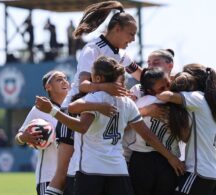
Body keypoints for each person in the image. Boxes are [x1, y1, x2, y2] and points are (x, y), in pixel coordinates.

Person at [35, 56, 185, 195]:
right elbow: (148, 136)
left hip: (90, 169)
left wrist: (52, 111)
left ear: (97, 78)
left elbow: (80, 124)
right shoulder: (127, 103)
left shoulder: (94, 98)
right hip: (117, 169)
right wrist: (170, 157)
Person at [50, 1, 143, 194]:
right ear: (117, 29)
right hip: (75, 111)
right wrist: (107, 87)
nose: (133, 39)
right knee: (63, 175)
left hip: (97, 117)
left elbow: (141, 75)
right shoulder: (93, 49)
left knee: (83, 176)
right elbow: (84, 85)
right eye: (131, 34)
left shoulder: (123, 55)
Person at [157, 63, 216, 195]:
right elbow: (186, 137)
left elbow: (165, 96)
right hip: (212, 173)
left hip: (199, 172)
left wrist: (165, 84)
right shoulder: (208, 100)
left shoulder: (197, 97)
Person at [128, 67, 188, 195]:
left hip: (149, 160)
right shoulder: (178, 102)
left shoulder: (140, 103)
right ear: (150, 90)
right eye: (162, 88)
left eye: (168, 84)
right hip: (155, 160)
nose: (167, 90)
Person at [15, 70, 70, 195]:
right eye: (58, 79)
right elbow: (18, 137)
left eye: (65, 78)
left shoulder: (74, 107)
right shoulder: (39, 109)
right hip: (48, 176)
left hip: (72, 176)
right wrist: (23, 137)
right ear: (48, 86)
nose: (64, 81)